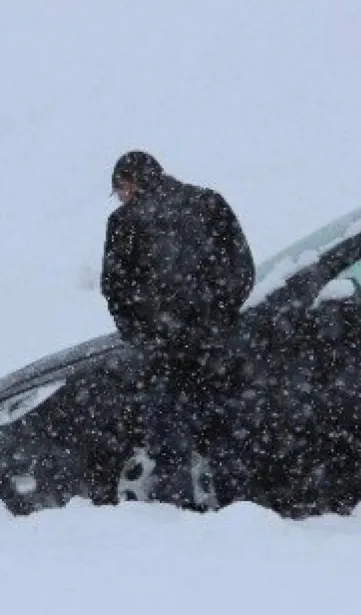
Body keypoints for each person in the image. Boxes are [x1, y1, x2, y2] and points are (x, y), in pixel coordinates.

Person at [100, 149, 255, 509]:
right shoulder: (209, 203)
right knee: (225, 434)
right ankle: (234, 509)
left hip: (161, 353)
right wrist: (218, 318)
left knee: (168, 436)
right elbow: (242, 269)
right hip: (216, 349)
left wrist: (141, 333)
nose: (120, 198)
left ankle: (176, 512)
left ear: (131, 183)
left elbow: (114, 288)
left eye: (119, 190)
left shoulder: (125, 222)